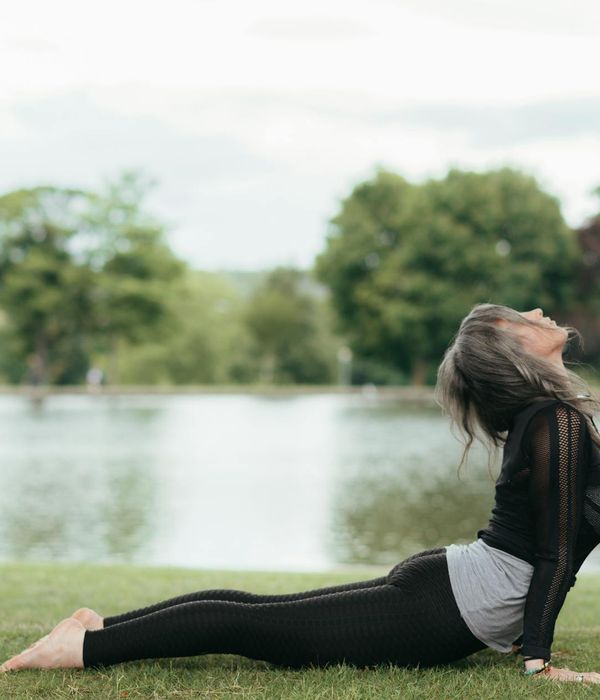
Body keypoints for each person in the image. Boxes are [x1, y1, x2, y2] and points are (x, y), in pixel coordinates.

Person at [2, 303, 600, 684]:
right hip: (445, 601)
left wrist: (520, 634)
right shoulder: (554, 421)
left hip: (452, 589)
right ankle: (87, 646)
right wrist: (535, 661)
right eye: (522, 316)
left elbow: (557, 544)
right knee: (255, 625)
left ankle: (96, 629)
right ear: (513, 348)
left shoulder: (550, 419)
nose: (541, 312)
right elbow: (552, 550)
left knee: (257, 613)